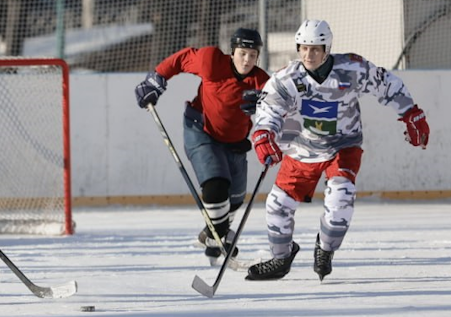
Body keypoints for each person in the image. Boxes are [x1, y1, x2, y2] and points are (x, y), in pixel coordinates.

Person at [245, 19, 430, 281]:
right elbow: (269, 108)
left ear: (327, 48)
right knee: (277, 206)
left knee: (341, 200)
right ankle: (281, 258)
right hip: (302, 148)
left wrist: (411, 112)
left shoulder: (351, 69)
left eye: (315, 49)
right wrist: (264, 134)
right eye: (303, 48)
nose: (308, 55)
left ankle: (325, 249)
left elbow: (386, 83)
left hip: (343, 146)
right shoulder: (287, 77)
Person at [135, 28, 269, 260]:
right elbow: (182, 58)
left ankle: (211, 234)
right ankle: (218, 239)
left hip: (235, 141)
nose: (247, 60)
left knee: (235, 199)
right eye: (242, 53)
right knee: (215, 185)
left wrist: (267, 108)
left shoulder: (262, 82)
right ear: (232, 52)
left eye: (252, 54)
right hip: (201, 130)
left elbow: (282, 109)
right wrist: (156, 79)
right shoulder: (212, 62)